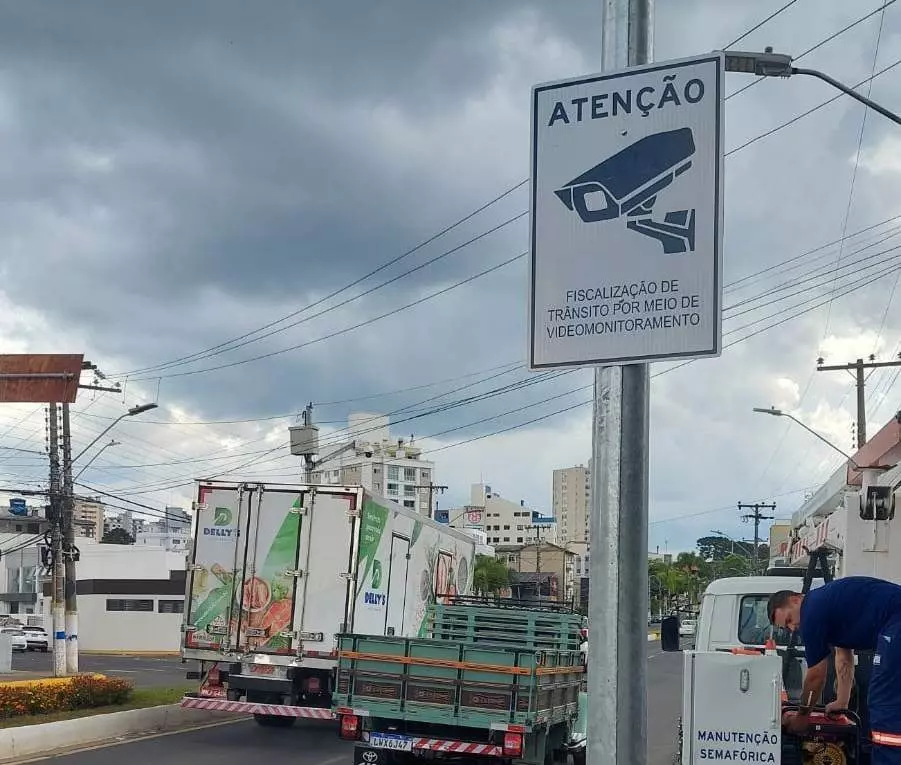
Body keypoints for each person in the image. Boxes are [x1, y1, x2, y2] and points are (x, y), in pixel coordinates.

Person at [768, 575, 901, 763]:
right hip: (894, 620)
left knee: (883, 703)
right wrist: (842, 701)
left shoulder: (811, 610)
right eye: (787, 628)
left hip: (896, 622)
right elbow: (843, 656)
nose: (793, 628)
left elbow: (816, 675)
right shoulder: (828, 606)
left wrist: (802, 716)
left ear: (796, 599)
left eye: (789, 619)